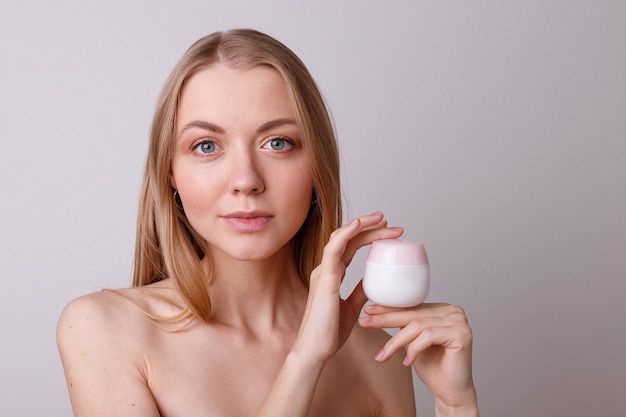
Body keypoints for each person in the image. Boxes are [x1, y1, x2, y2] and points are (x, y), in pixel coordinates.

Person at [57, 29, 478, 417]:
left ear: (316, 165)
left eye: (277, 143)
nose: (246, 180)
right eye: (206, 146)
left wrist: (454, 404)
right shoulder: (103, 331)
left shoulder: (378, 359)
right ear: (170, 172)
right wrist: (306, 358)